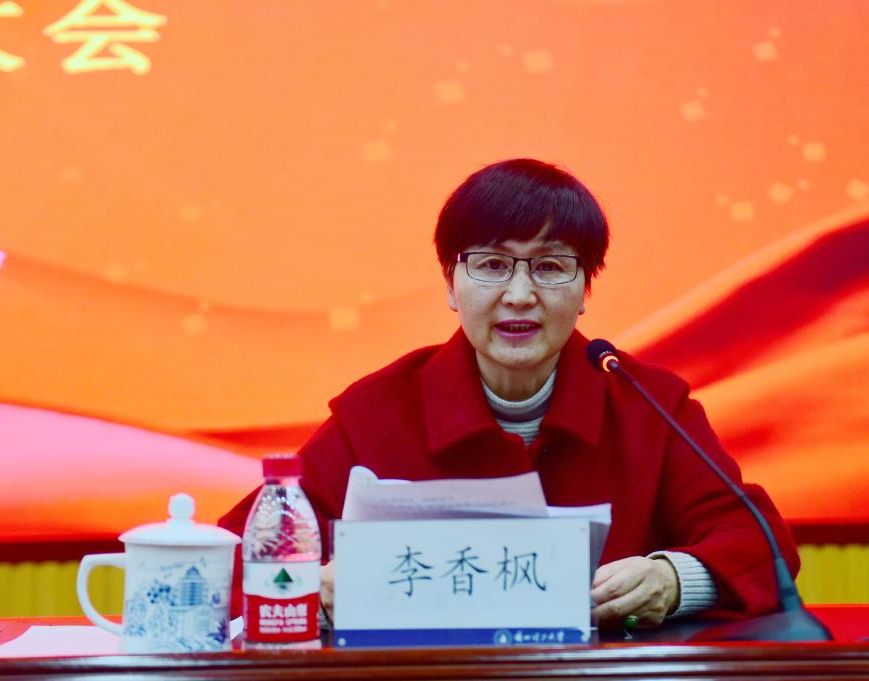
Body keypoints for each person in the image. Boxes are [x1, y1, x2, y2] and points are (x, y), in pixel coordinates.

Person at [220, 158, 798, 628]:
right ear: (451, 285)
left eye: (550, 267)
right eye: (493, 264)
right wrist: (311, 588)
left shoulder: (648, 404)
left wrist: (673, 580)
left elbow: (760, 542)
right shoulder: (376, 412)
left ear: (585, 289)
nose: (520, 295)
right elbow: (238, 555)